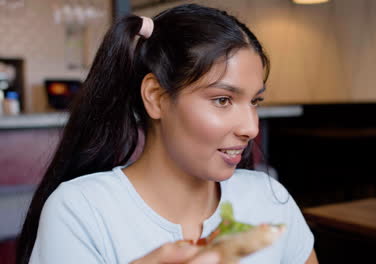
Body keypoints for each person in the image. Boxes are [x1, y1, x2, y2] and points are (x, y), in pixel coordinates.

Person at [16, 4, 318, 264]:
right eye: (223, 100)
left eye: (254, 101)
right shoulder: (80, 210)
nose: (251, 127)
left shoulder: (269, 197)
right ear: (156, 97)